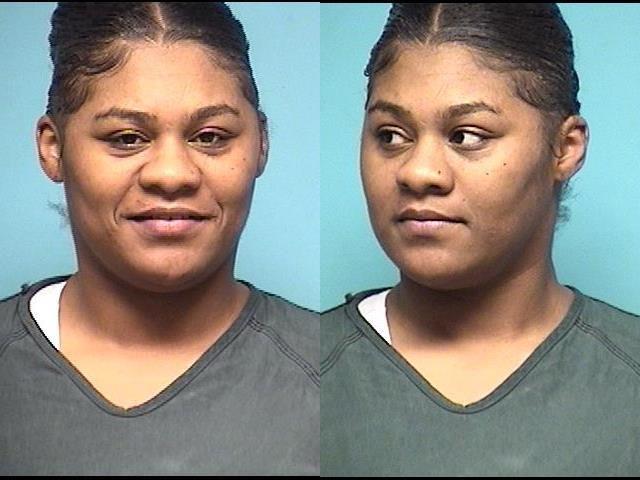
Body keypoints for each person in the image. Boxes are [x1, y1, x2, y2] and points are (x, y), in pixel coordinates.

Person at [321, 3, 640, 476]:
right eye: (390, 135)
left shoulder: (627, 378)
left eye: (467, 136)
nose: (418, 172)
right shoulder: (300, 370)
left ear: (565, 148)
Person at [0, 2, 318, 475]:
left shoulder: (325, 371)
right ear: (53, 148)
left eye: (210, 137)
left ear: (261, 144)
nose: (172, 174)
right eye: (127, 138)